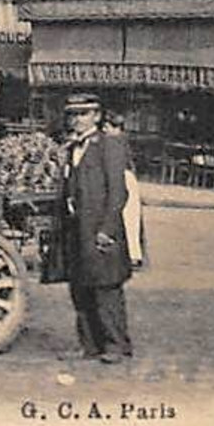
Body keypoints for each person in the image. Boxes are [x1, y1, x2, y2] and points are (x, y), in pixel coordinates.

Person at [56, 94, 133, 363]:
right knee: (81, 287)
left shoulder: (108, 145)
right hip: (76, 229)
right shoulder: (72, 147)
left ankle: (116, 345)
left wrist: (108, 229)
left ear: (97, 116)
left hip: (100, 229)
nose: (76, 120)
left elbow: (118, 192)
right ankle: (88, 345)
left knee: (106, 287)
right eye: (73, 115)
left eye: (83, 114)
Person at [102, 108, 146, 270]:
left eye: (106, 127)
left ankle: (133, 255)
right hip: (128, 178)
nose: (104, 130)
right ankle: (133, 253)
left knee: (128, 217)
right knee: (131, 218)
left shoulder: (113, 141)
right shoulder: (122, 139)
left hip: (123, 178)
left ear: (113, 127)